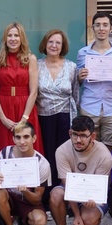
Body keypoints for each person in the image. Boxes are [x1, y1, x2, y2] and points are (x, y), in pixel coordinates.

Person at [49, 116, 112, 225]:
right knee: (56, 194)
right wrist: (76, 215)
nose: (78, 140)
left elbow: (99, 188)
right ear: (70, 133)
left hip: (93, 192)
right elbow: (68, 186)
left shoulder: (105, 155)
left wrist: (90, 202)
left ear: (93, 136)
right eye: (75, 135)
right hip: (71, 189)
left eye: (83, 136)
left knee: (89, 220)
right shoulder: (62, 151)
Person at [0, 22, 43, 171]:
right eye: (10, 35)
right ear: (5, 39)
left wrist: (24, 119)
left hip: (25, 108)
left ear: (21, 38)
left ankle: (28, 190)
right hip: (3, 108)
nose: (13, 39)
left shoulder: (30, 59)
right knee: (4, 146)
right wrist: (3, 118)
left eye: (16, 35)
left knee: (25, 144)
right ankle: (2, 191)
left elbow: (34, 91)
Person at [76, 12, 112, 151]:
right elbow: (77, 84)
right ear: (93, 28)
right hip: (89, 107)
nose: (101, 28)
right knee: (87, 149)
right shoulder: (83, 53)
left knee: (111, 151)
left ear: (111, 28)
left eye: (105, 25)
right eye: (98, 25)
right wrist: (80, 77)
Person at [0, 121, 51, 225]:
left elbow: (37, 199)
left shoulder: (42, 163)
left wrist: (25, 192)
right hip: (9, 197)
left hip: (28, 200)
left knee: (40, 222)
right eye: (18, 137)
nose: (22, 141)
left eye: (26, 137)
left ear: (34, 138)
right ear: (13, 138)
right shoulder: (4, 153)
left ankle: (24, 222)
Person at [36, 29, 79, 190]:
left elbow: (75, 95)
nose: (54, 45)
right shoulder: (36, 65)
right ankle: (46, 195)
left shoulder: (71, 67)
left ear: (63, 46)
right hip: (43, 117)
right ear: (45, 44)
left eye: (58, 42)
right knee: (46, 155)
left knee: (64, 156)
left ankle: (65, 194)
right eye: (50, 42)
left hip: (64, 117)